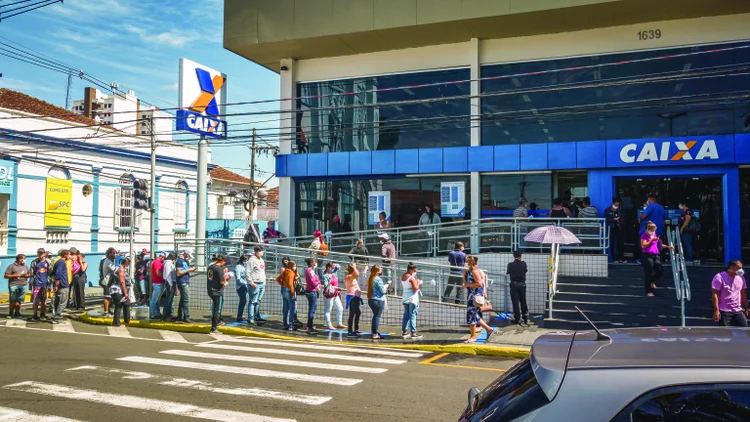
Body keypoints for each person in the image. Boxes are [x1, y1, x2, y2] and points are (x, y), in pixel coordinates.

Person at [463, 255, 494, 343]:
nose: (465, 263)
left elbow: (479, 284)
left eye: (466, 262)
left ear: (470, 263)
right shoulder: (469, 271)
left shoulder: (475, 271)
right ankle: (489, 329)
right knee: (474, 315)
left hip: (474, 296)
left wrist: (468, 285)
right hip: (472, 295)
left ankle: (473, 336)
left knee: (471, 316)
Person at [641, 221, 674, 297]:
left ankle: (651, 281)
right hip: (647, 256)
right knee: (648, 274)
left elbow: (658, 244)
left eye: (654, 231)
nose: (653, 232)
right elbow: (643, 245)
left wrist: (668, 247)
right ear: (647, 229)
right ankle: (648, 290)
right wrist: (651, 240)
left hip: (656, 255)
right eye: (652, 231)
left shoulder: (654, 235)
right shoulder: (644, 235)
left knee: (660, 271)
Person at [711, 260, 748, 327]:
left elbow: (743, 294)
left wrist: (746, 308)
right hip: (725, 311)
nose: (741, 270)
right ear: (731, 267)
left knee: (744, 332)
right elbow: (715, 294)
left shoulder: (741, 278)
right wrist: (716, 310)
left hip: (738, 311)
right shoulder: (719, 277)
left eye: (741, 268)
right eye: (738, 268)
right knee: (725, 334)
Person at [207, 254, 231, 334]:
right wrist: (227, 277)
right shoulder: (219, 269)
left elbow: (212, 278)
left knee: (215, 308)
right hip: (217, 291)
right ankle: (214, 328)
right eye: (225, 262)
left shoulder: (210, 267)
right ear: (222, 261)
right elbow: (222, 282)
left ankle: (214, 325)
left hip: (210, 289)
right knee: (217, 310)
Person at [367, 265, 389, 340]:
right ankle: (375, 334)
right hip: (378, 300)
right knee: (377, 317)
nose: (381, 271)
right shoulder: (378, 279)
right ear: (377, 272)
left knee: (375, 316)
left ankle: (374, 332)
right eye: (380, 270)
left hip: (371, 300)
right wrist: (386, 287)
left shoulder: (371, 278)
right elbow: (382, 291)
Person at [110, 254, 132, 327]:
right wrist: (125, 293)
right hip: (117, 290)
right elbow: (122, 282)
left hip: (116, 290)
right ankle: (116, 322)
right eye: (128, 263)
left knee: (126, 303)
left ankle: (127, 319)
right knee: (119, 305)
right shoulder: (121, 269)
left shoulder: (117, 268)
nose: (128, 264)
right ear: (125, 262)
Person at [401, 262, 422, 339]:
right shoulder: (411, 278)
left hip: (405, 297)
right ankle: (413, 332)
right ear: (410, 270)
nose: (415, 272)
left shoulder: (403, 276)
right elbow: (415, 288)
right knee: (412, 315)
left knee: (406, 315)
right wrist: (418, 282)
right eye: (414, 271)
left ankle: (404, 331)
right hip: (412, 298)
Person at [246, 246, 267, 325]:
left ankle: (257, 316)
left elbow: (262, 272)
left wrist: (264, 282)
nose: (262, 252)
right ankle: (250, 318)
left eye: (262, 251)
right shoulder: (252, 260)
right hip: (255, 283)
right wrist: (251, 282)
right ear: (256, 252)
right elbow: (247, 272)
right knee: (253, 301)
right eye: (261, 251)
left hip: (261, 283)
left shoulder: (261, 260)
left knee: (258, 301)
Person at [507, 250, 529, 326]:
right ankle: (525, 317)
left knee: (515, 302)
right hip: (522, 284)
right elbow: (525, 271)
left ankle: (517, 318)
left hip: (514, 284)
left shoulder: (510, 265)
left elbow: (508, 272)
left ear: (514, 256)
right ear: (521, 256)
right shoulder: (524, 264)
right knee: (523, 300)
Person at [4, 254, 29, 319]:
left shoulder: (25, 266)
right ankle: (11, 313)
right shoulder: (11, 266)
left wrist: (27, 275)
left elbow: (29, 273)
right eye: (24, 258)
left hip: (23, 285)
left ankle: (17, 312)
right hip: (14, 285)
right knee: (13, 300)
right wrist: (16, 275)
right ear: (20, 259)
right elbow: (6, 275)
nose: (24, 260)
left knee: (19, 300)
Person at [322, 262, 345, 330]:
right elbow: (326, 286)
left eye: (333, 268)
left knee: (340, 308)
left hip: (336, 294)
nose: (333, 269)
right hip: (329, 295)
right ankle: (329, 325)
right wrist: (336, 288)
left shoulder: (334, 273)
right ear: (328, 268)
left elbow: (338, 266)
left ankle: (339, 323)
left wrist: (335, 264)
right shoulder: (325, 276)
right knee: (328, 310)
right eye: (331, 268)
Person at [50, 249, 71, 324]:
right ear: (65, 255)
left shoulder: (58, 262)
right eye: (69, 254)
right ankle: (57, 317)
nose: (70, 256)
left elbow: (52, 273)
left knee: (57, 301)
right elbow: (58, 274)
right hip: (62, 285)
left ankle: (55, 316)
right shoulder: (61, 263)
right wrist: (56, 284)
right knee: (62, 302)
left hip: (60, 285)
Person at [175, 248, 196, 323]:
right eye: (188, 255)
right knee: (186, 300)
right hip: (182, 281)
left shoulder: (185, 261)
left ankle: (180, 316)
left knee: (183, 300)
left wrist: (191, 269)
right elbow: (178, 273)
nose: (188, 257)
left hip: (185, 281)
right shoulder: (180, 261)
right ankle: (186, 317)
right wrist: (188, 270)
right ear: (185, 254)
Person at [276, 260, 298, 330]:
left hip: (284, 289)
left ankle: (285, 324)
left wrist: (282, 284)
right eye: (294, 266)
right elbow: (291, 284)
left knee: (285, 308)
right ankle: (291, 325)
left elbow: (278, 278)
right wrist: (292, 293)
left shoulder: (286, 271)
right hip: (289, 290)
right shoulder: (291, 273)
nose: (295, 267)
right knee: (292, 308)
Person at [29, 248, 49, 321]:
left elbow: (50, 272)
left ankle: (43, 314)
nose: (40, 254)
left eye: (42, 253)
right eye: (39, 253)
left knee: (44, 301)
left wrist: (49, 280)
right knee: (36, 301)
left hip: (45, 284)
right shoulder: (34, 262)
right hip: (37, 284)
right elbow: (31, 273)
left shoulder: (47, 262)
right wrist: (31, 280)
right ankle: (35, 314)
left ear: (44, 253)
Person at [344, 263, 363, 338]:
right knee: (352, 314)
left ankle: (356, 329)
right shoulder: (349, 277)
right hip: (352, 297)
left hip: (355, 297)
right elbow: (357, 274)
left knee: (358, 313)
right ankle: (350, 331)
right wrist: (355, 267)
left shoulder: (351, 277)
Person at [604, 198, 625, 263]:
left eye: (618, 205)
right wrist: (613, 219)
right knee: (612, 243)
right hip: (611, 228)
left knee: (620, 242)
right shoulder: (607, 210)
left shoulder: (619, 210)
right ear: (613, 203)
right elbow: (605, 219)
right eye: (616, 205)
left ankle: (620, 257)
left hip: (618, 228)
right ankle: (613, 258)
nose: (616, 206)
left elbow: (623, 218)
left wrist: (619, 219)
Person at [304, 257, 320, 334]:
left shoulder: (310, 271)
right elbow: (313, 283)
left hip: (310, 291)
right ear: (311, 263)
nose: (315, 263)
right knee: (311, 309)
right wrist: (318, 283)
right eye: (314, 261)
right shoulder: (310, 271)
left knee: (312, 308)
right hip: (311, 292)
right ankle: (309, 327)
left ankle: (310, 325)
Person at [99, 247, 117, 316]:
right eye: (113, 253)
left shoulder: (110, 260)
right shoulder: (108, 262)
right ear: (109, 254)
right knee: (107, 297)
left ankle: (108, 310)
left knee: (109, 297)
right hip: (107, 281)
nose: (115, 254)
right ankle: (106, 312)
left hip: (109, 281)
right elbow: (114, 270)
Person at [148, 252, 166, 319]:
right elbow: (158, 273)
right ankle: (153, 314)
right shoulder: (157, 262)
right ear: (161, 257)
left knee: (157, 300)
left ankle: (157, 313)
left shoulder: (159, 263)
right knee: (154, 300)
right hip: (158, 283)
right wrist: (165, 275)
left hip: (159, 283)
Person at [162, 252, 177, 321]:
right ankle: (166, 315)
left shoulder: (168, 263)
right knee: (169, 299)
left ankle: (170, 314)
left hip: (171, 282)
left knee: (170, 299)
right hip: (169, 282)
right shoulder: (168, 264)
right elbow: (168, 275)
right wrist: (171, 284)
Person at [235, 255, 250, 322]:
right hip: (241, 287)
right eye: (246, 260)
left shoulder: (245, 267)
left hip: (246, 286)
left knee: (244, 301)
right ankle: (239, 316)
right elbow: (238, 278)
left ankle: (241, 314)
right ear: (243, 260)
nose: (247, 262)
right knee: (243, 301)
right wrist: (243, 284)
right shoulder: (238, 267)